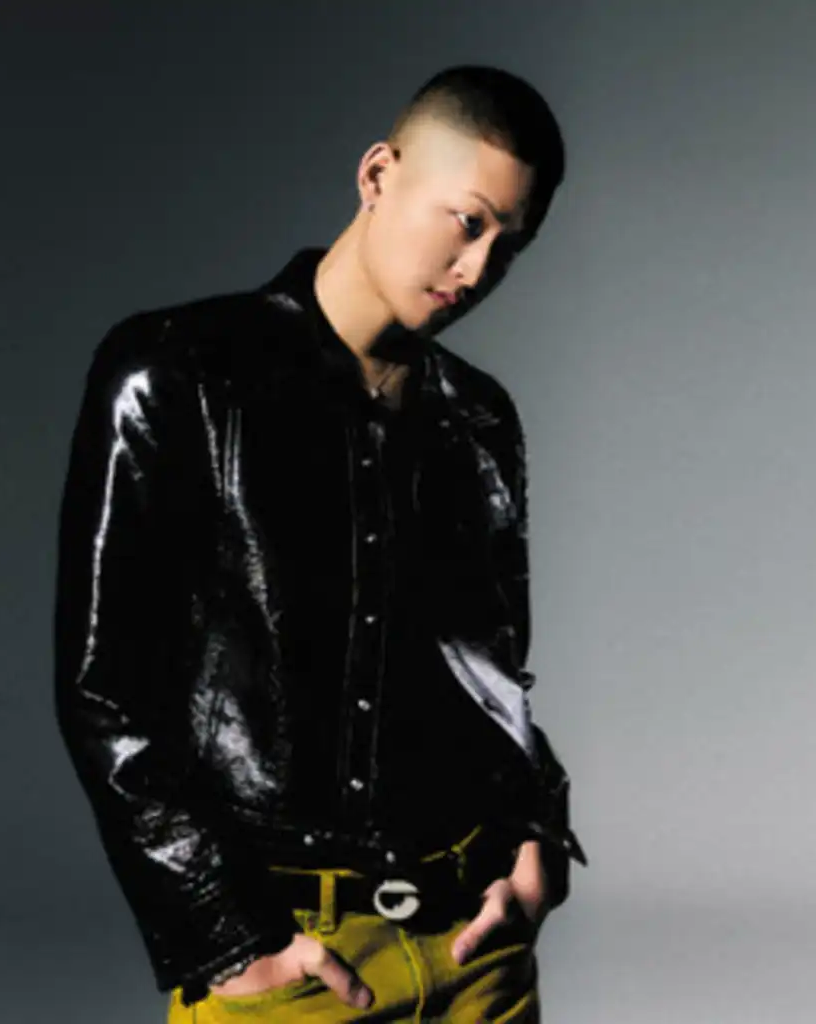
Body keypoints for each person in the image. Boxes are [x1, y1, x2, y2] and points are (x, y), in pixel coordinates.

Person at [53, 64, 587, 1022]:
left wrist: (539, 835)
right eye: (467, 222)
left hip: (479, 957)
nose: (477, 271)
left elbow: (496, 677)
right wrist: (225, 934)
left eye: (510, 244)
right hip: (295, 958)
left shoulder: (478, 419)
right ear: (378, 174)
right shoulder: (178, 375)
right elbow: (106, 694)